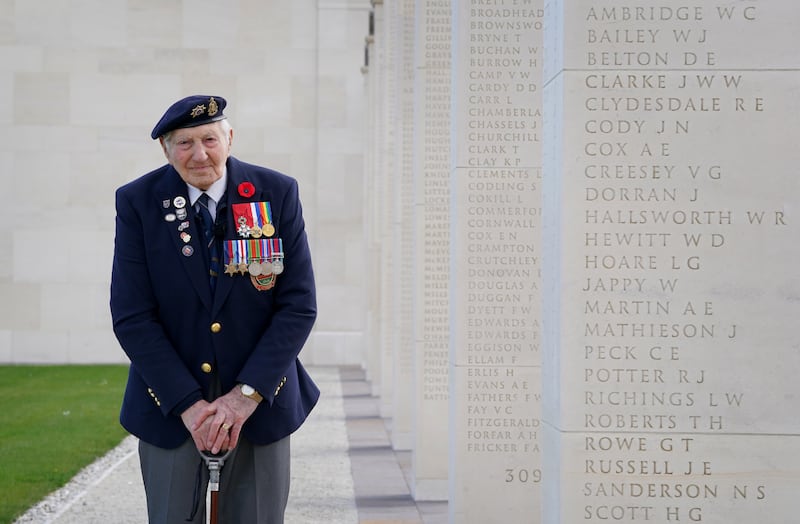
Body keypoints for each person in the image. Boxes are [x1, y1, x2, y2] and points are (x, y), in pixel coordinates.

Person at [110, 95, 319, 523]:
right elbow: (132, 314)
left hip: (261, 403)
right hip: (170, 405)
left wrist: (244, 398)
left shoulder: (275, 193)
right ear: (166, 150)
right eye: (184, 143)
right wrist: (187, 404)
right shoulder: (139, 202)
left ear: (229, 138)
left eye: (209, 139)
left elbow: (298, 305)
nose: (199, 154)